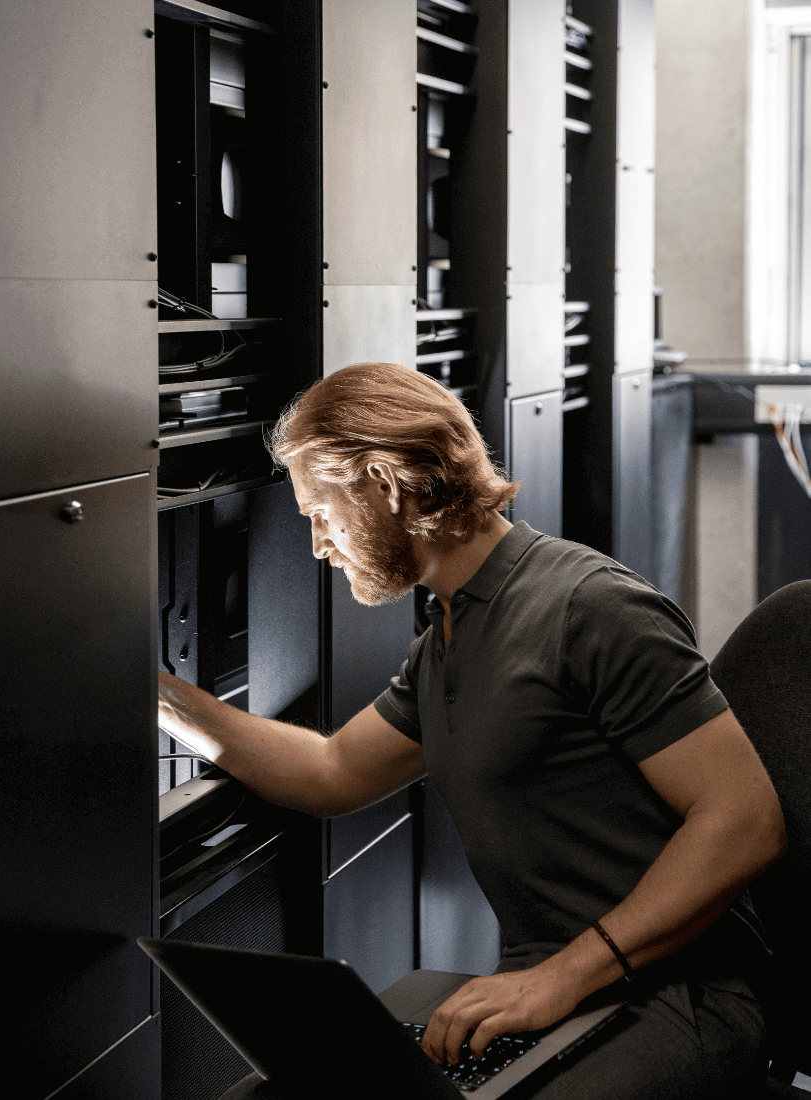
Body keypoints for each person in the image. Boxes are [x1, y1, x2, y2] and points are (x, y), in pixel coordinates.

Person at [158, 362, 786, 1098]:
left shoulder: (587, 606)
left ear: (383, 486)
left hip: (680, 998)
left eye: (320, 514)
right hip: (556, 998)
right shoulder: (447, 638)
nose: (318, 545)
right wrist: (159, 697)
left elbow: (746, 821)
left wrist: (556, 977)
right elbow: (331, 772)